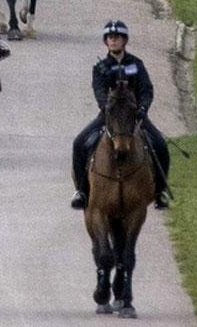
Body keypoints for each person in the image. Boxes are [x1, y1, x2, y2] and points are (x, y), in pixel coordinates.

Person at [70, 20, 171, 210]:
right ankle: (82, 191)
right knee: (79, 143)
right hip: (109, 117)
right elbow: (99, 91)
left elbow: (146, 89)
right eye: (109, 38)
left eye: (116, 38)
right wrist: (106, 108)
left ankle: (160, 190)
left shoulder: (136, 64)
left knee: (160, 144)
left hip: (135, 116)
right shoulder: (100, 67)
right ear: (106, 41)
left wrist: (143, 109)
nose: (113, 41)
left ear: (124, 41)